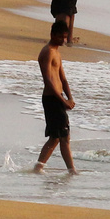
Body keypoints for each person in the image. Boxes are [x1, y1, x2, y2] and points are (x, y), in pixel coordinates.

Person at [34, 19, 77, 173]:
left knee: (59, 137)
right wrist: (62, 100)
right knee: (60, 137)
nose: (63, 40)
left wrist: (69, 98)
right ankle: (71, 170)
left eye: (64, 37)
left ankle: (40, 167)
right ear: (52, 34)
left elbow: (63, 79)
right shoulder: (47, 52)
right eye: (60, 37)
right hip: (52, 99)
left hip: (58, 98)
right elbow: (48, 80)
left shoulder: (57, 53)